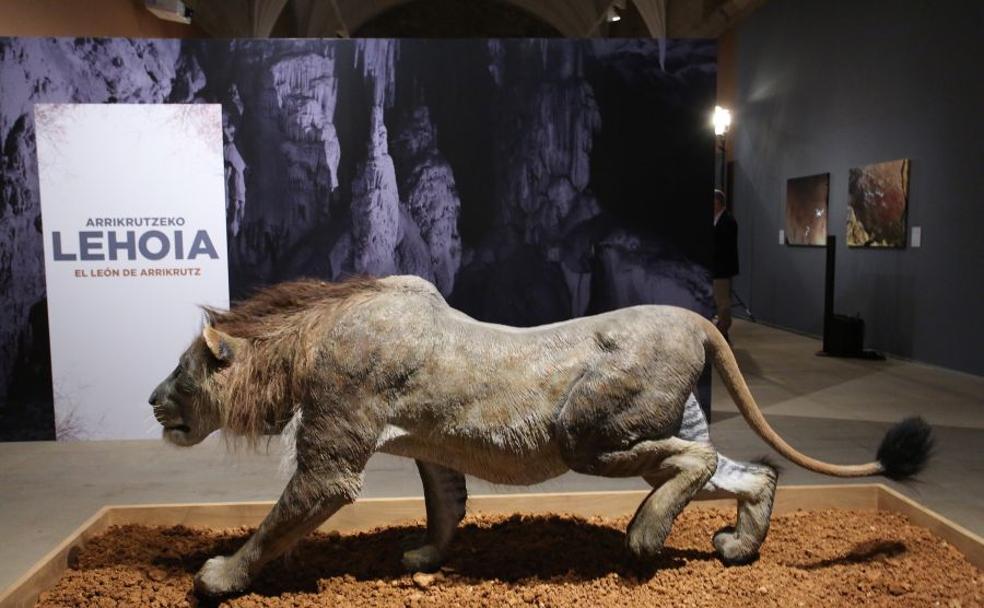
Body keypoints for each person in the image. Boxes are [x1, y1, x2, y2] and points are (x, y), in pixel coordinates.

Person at [712, 189, 738, 340]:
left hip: (722, 268)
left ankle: (723, 330)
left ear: (718, 202)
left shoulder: (728, 220)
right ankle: (722, 331)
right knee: (718, 300)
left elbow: (724, 246)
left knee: (723, 302)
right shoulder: (717, 219)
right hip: (716, 267)